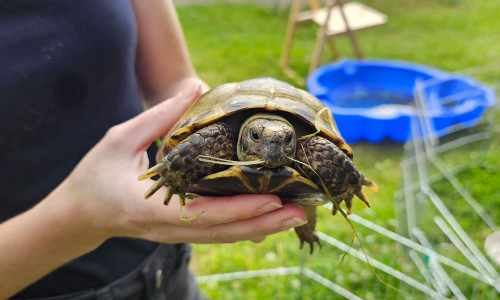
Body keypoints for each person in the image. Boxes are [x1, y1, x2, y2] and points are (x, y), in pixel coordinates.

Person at [0, 0, 308, 299]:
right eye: (256, 137)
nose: (272, 145)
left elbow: (173, 81)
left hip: (167, 267)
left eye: (284, 140)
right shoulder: (218, 139)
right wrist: (81, 220)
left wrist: (199, 102)